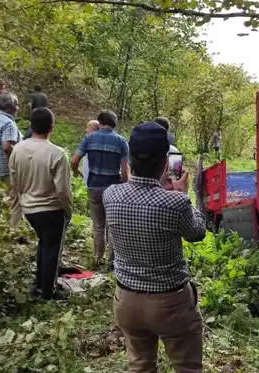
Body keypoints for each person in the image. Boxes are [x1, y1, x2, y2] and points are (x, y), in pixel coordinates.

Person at [104, 121, 206, 373]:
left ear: (129, 159)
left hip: (126, 299)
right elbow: (197, 233)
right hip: (170, 303)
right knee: (187, 366)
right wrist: (184, 196)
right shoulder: (175, 203)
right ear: (165, 163)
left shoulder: (110, 195)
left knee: (140, 364)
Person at [9, 107, 72, 300]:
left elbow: (14, 182)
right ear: (51, 128)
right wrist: (68, 211)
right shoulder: (57, 154)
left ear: (31, 125)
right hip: (52, 208)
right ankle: (48, 292)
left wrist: (16, 208)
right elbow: (62, 190)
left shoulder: (17, 149)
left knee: (44, 244)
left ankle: (38, 283)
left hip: (29, 208)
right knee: (52, 248)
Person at [70, 110, 129, 269]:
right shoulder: (121, 141)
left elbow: (74, 160)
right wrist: (123, 185)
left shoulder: (89, 138)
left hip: (94, 185)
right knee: (112, 224)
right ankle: (111, 261)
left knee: (98, 225)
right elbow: (125, 171)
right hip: (114, 188)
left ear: (100, 122)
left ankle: (97, 258)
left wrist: (76, 172)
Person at [82, 120, 100, 187]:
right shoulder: (87, 141)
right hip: (88, 182)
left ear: (95, 130)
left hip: (92, 183)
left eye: (88, 127)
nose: (86, 130)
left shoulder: (92, 143)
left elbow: (74, 160)